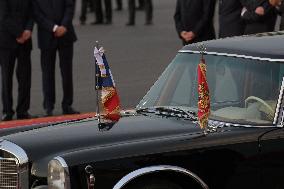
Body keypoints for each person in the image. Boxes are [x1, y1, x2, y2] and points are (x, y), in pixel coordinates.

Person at [33, 0, 79, 116]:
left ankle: (67, 104)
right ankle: (49, 106)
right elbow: (36, 13)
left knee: (67, 72)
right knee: (47, 73)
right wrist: (53, 28)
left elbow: (70, 6)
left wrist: (63, 26)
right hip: (46, 35)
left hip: (66, 34)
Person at [0, 0, 34, 121]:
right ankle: (7, 111)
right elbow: (3, 17)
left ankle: (23, 110)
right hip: (7, 42)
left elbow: (31, 13)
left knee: (25, 77)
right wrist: (19, 33)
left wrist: (29, 30)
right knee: (6, 78)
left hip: (25, 42)